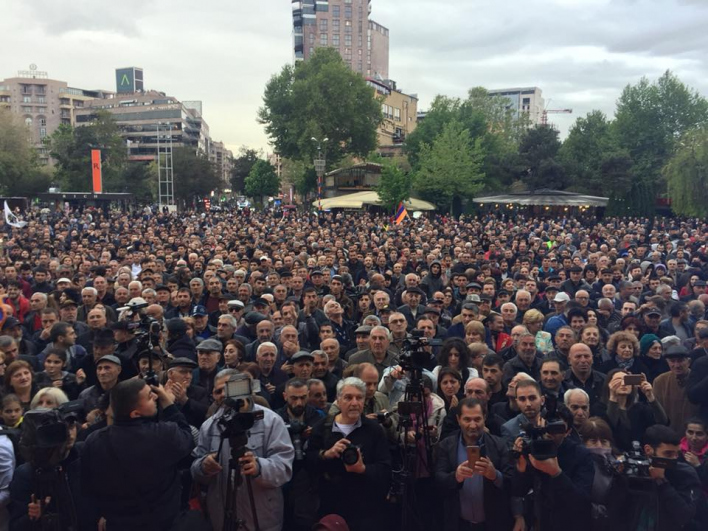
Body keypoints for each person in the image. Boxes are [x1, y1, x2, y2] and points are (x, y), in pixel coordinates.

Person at [81, 378, 194, 531]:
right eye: (149, 397)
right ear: (135, 413)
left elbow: (88, 487)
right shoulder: (163, 434)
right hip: (162, 522)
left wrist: (101, 514)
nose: (156, 396)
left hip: (117, 523)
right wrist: (168, 403)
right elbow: (187, 437)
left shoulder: (94, 441)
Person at [191, 369, 294, 531]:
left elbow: (284, 468)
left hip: (262, 518)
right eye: (218, 391)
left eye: (228, 389)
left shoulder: (271, 421)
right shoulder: (209, 426)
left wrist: (259, 467)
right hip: (223, 519)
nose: (223, 395)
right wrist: (204, 466)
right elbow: (196, 471)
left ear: (243, 388)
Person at [306, 377, 391, 531]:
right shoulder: (322, 428)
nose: (354, 403)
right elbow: (308, 462)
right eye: (348, 397)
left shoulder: (374, 430)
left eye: (359, 398)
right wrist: (326, 454)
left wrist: (363, 469)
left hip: (365, 509)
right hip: (331, 505)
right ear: (338, 400)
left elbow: (385, 469)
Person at [434, 397, 517, 531]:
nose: (473, 425)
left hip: (493, 524)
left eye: (477, 419)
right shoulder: (446, 446)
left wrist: (495, 475)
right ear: (458, 420)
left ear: (485, 418)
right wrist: (455, 477)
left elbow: (513, 483)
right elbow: (438, 480)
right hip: (458, 523)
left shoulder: (500, 445)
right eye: (467, 419)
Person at [511, 404, 595, 531]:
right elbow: (519, 491)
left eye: (557, 428)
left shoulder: (581, 454)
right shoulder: (533, 447)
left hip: (572, 524)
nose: (550, 432)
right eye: (547, 425)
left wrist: (556, 473)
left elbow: (581, 502)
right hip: (542, 521)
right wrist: (521, 468)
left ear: (568, 432)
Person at [627, 424, 701, 531]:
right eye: (668, 454)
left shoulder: (685, 473)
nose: (674, 458)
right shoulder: (638, 469)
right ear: (648, 450)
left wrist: (662, 482)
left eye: (676, 454)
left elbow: (685, 515)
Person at [653, 345, 699, 432]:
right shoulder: (660, 381)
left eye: (680, 361)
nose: (677, 365)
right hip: (668, 433)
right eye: (672, 361)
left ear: (689, 362)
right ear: (667, 362)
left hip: (693, 433)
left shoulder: (698, 379)